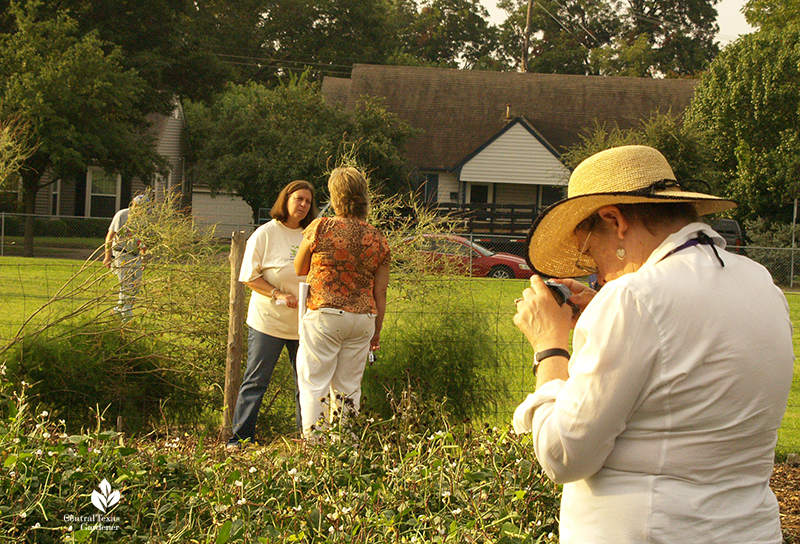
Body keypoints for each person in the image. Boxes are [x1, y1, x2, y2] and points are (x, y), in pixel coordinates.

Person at [512, 145, 794, 543]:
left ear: (615, 221)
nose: (596, 270)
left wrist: (550, 346)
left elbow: (563, 456)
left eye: (590, 249)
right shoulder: (761, 284)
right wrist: (606, 315)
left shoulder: (632, 299)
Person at [294, 166, 390, 439]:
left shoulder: (321, 227)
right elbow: (380, 292)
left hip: (325, 313)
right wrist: (377, 331)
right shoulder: (378, 237)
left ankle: (315, 450)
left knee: (315, 384)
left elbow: (299, 267)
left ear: (335, 196)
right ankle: (347, 449)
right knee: (349, 387)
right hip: (363, 319)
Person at [227, 180, 318, 448]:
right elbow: (249, 277)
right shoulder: (265, 234)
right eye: (298, 199)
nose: (303, 205)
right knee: (256, 381)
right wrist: (278, 294)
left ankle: (308, 440)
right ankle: (240, 439)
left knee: (306, 383)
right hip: (268, 322)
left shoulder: (311, 235)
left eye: (308, 202)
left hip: (304, 323)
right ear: (285, 200)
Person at [103, 194, 150, 321]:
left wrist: (143, 257)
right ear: (134, 205)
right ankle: (127, 316)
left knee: (136, 285)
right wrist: (108, 256)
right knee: (126, 285)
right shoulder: (122, 215)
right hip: (121, 253)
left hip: (135, 255)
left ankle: (118, 310)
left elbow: (142, 241)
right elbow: (110, 236)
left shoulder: (143, 220)